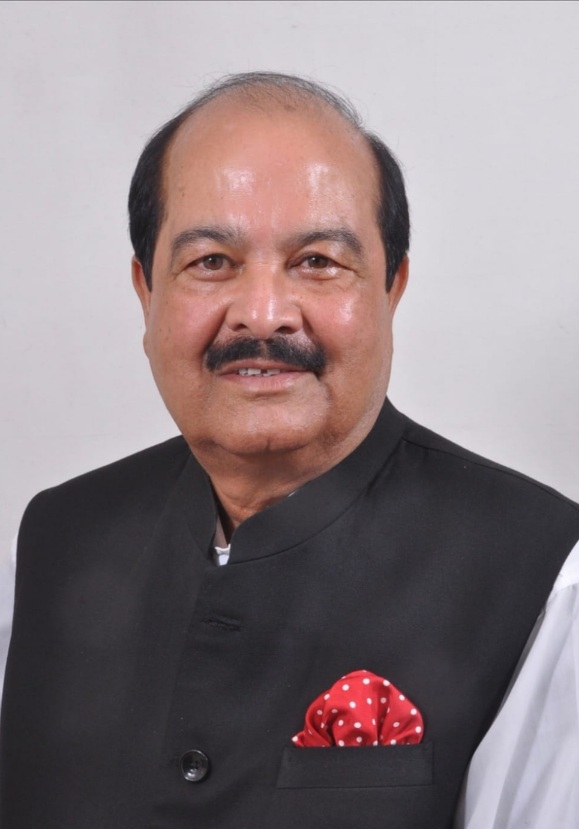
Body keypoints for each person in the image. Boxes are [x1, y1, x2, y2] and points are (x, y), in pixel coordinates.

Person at [1, 72, 578, 829]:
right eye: (212, 261)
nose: (263, 313)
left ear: (392, 288)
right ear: (146, 292)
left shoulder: (543, 576)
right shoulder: (49, 546)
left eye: (317, 261)